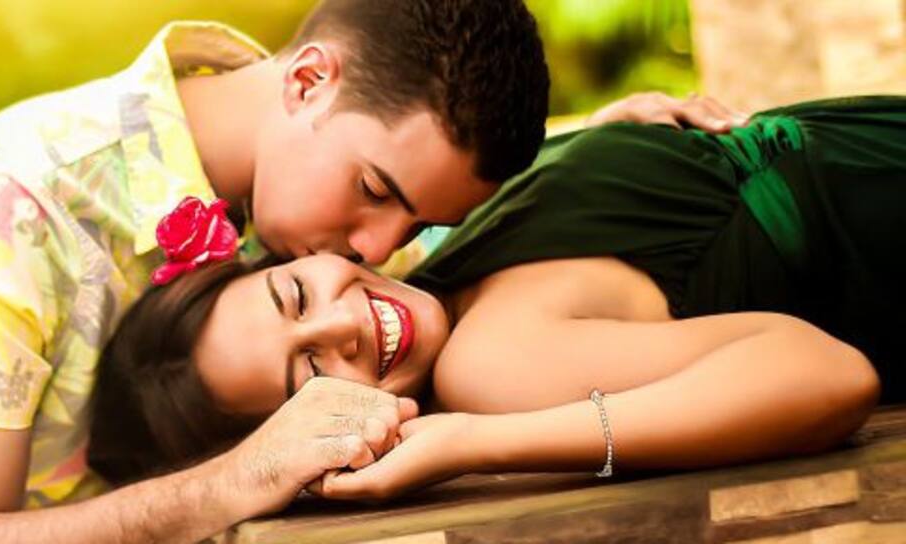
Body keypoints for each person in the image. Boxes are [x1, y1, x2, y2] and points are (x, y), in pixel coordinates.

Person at [0, 1, 560, 542]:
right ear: (308, 82)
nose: (379, 250)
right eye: (373, 190)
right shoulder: (17, 206)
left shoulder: (340, 217)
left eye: (418, 225)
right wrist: (237, 479)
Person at [88, 96, 903, 501]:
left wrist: (596, 135)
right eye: (308, 375)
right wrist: (470, 444)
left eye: (295, 293)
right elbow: (831, 376)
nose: (344, 323)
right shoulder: (485, 369)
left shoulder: (443, 252)